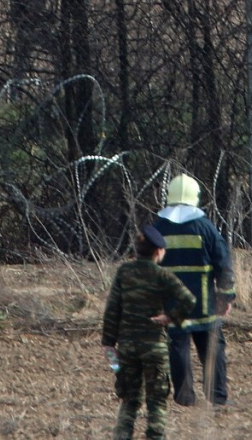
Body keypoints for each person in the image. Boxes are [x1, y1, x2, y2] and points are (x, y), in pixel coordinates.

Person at [102, 225, 197, 440]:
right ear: (158, 252)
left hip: (126, 347)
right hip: (154, 346)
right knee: (157, 401)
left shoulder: (123, 272)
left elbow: (112, 309)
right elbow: (189, 300)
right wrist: (170, 317)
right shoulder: (162, 275)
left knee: (129, 399)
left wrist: (108, 344)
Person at [153, 174, 236, 407]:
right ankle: (218, 398)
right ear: (195, 198)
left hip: (172, 303)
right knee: (212, 349)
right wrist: (226, 295)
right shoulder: (205, 227)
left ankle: (184, 399)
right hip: (204, 302)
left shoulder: (158, 228)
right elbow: (223, 262)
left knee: (178, 348)